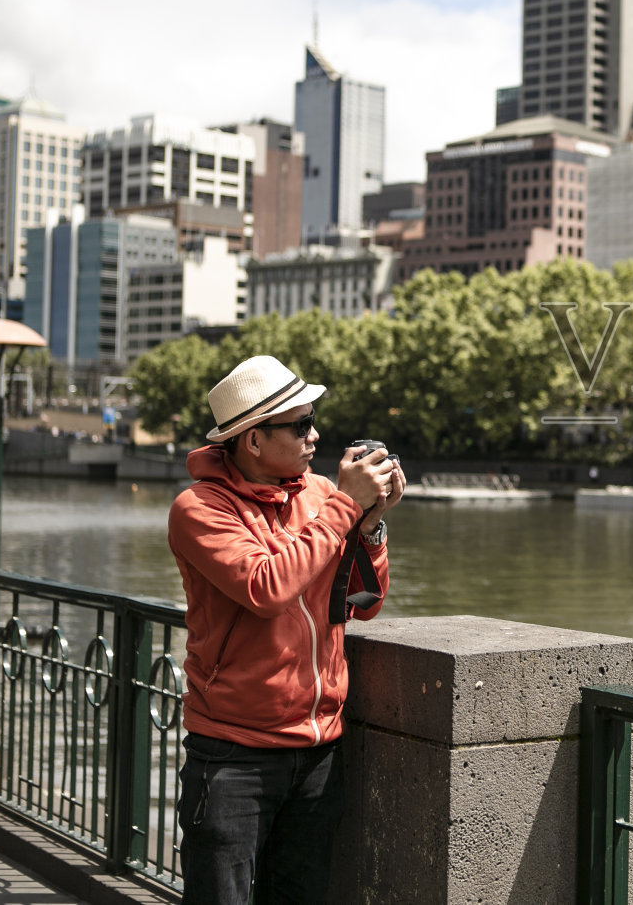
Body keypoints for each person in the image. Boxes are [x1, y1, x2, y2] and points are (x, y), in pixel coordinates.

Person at [168, 355, 405, 904]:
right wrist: (346, 507)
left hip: (320, 749)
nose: (315, 435)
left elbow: (362, 604)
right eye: (301, 425)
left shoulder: (320, 496)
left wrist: (371, 526)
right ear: (253, 440)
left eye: (313, 421)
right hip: (234, 753)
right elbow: (267, 587)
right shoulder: (199, 508)